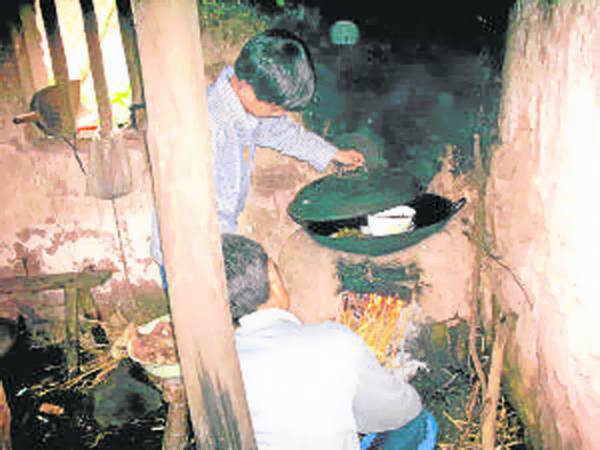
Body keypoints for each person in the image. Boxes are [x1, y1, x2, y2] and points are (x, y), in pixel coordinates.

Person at [151, 29, 366, 281]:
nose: (279, 114)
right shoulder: (207, 128)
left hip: (217, 238)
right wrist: (235, 262)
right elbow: (200, 213)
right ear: (246, 88)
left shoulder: (243, 104)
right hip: (189, 251)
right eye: (275, 107)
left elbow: (283, 133)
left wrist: (334, 154)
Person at [221, 233, 437, 450]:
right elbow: (401, 411)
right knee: (418, 423)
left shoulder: (219, 368)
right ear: (272, 275)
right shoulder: (336, 342)